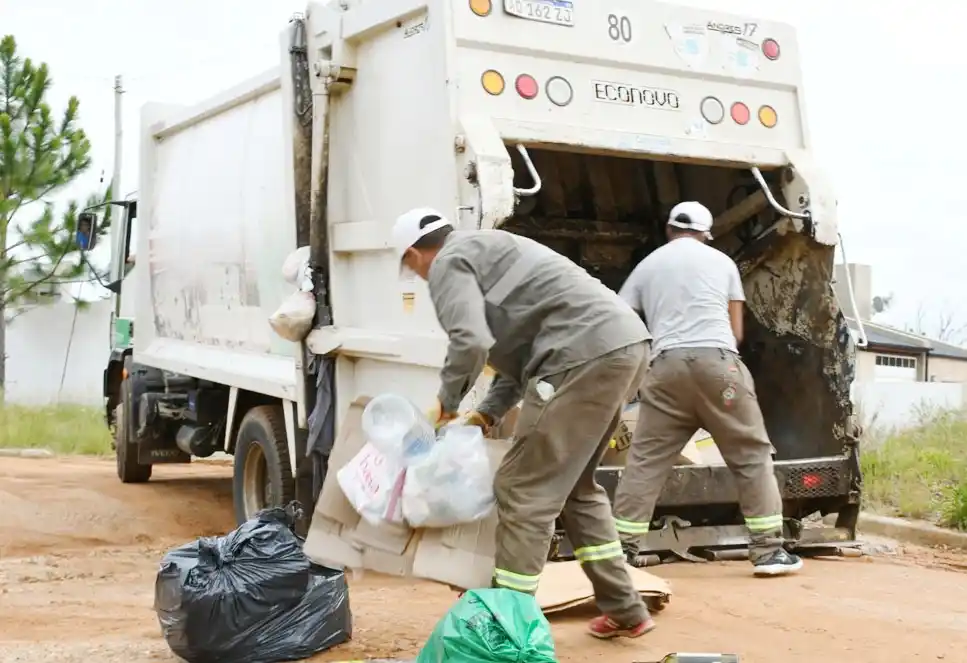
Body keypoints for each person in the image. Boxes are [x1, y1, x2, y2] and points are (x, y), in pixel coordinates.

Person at [391, 206, 657, 639]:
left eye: (411, 267)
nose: (419, 277)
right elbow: (520, 359)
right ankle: (627, 610)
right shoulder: (488, 250)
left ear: (413, 254)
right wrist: (485, 414)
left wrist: (445, 403)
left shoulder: (448, 263)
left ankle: (507, 627)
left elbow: (470, 342)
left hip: (580, 356)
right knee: (575, 489)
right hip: (623, 346)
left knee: (523, 490)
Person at [611, 201, 803, 577]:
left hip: (665, 371)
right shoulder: (723, 263)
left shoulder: (648, 265)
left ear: (669, 229)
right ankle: (768, 552)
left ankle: (621, 553)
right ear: (706, 234)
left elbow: (619, 318)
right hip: (719, 371)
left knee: (645, 463)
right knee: (751, 455)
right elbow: (736, 331)